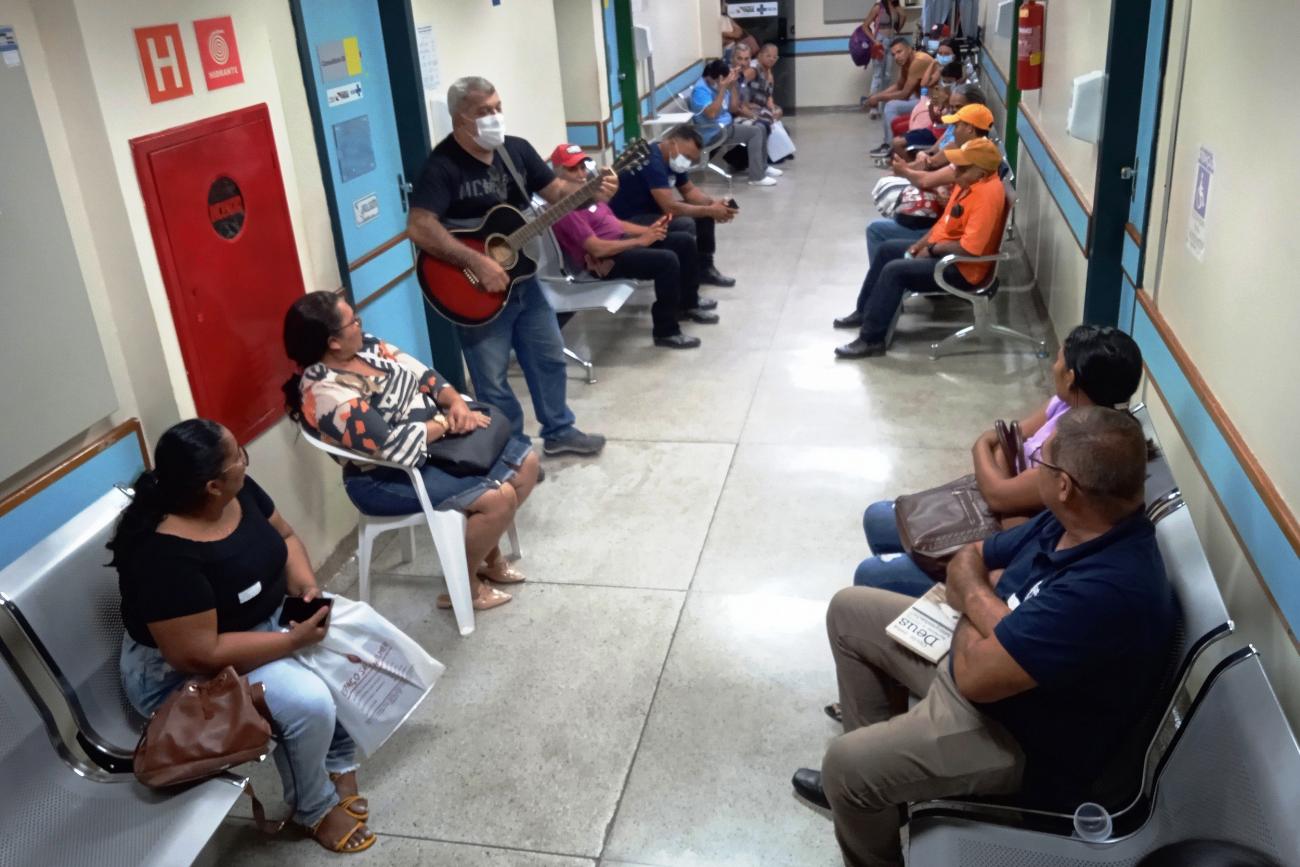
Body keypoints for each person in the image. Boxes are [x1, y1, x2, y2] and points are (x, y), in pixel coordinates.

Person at [792, 407, 1178, 867]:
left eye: (1043, 465)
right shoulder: (1074, 518)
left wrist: (972, 602)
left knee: (846, 766)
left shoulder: (1111, 589)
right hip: (984, 661)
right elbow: (970, 556)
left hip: (1014, 734)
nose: (1033, 470)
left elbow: (976, 677)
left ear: (1064, 485)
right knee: (848, 611)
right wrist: (984, 608)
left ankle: (867, 814)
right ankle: (882, 797)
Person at [112, 419, 377, 854]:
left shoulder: (238, 490)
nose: (244, 459)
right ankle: (313, 807)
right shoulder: (165, 557)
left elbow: (286, 536)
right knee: (307, 700)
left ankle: (334, 760)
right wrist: (292, 642)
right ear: (212, 485)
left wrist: (307, 586)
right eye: (238, 455)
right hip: (184, 676)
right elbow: (198, 653)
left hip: (255, 625)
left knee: (342, 646)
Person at [283, 290, 539, 612]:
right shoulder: (325, 391)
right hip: (385, 476)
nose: (360, 325)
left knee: (526, 465)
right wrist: (448, 423)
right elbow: (389, 444)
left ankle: (486, 560)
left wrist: (456, 402)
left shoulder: (368, 346)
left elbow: (423, 374)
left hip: (433, 447)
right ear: (333, 341)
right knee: (498, 499)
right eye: (353, 321)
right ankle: (463, 585)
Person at [854, 325, 1144, 596]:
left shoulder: (1080, 451)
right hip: (998, 519)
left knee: (874, 571)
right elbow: (1012, 438)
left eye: (1058, 360)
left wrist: (982, 446)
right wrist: (1005, 476)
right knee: (878, 517)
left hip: (1007, 541)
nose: (1053, 366)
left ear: (1070, 377)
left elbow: (998, 489)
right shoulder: (1062, 404)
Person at [406, 76, 608, 458]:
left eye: (498, 107)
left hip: (524, 281)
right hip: (472, 293)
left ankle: (560, 431)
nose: (495, 117)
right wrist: (475, 260)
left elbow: (556, 194)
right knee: (493, 380)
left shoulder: (515, 152)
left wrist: (588, 193)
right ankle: (513, 451)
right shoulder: (442, 166)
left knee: (548, 357)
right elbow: (419, 225)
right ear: (459, 120)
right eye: (484, 112)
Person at [835, 137, 1006, 358]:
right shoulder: (967, 184)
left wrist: (933, 249)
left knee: (895, 271)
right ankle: (864, 310)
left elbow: (970, 249)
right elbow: (943, 224)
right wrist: (919, 245)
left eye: (963, 168)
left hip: (962, 269)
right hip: (947, 252)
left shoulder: (986, 197)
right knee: (888, 249)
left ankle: (871, 340)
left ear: (981, 172)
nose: (957, 172)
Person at [548, 143, 711, 348]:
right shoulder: (564, 209)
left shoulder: (587, 196)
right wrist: (640, 241)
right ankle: (666, 331)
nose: (581, 174)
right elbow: (597, 248)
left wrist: (650, 232)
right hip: (605, 261)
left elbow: (614, 223)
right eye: (573, 169)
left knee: (683, 241)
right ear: (558, 174)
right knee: (666, 261)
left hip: (621, 242)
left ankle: (688, 304)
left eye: (583, 166)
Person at [609, 124, 739, 289]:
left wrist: (715, 205)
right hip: (631, 218)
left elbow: (690, 191)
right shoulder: (651, 161)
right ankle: (680, 275)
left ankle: (704, 269)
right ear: (671, 143)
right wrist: (710, 209)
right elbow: (669, 208)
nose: (688, 162)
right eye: (687, 156)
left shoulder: (673, 159)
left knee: (705, 213)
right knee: (686, 223)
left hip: (654, 212)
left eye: (692, 159)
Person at [864, 95, 992, 262]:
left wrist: (930, 249)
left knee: (881, 237)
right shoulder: (961, 150)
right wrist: (919, 246)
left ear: (970, 128)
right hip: (941, 226)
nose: (952, 128)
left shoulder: (974, 161)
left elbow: (968, 242)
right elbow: (933, 162)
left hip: (945, 239)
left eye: (958, 123)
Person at [691, 59, 778, 187]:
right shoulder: (701, 91)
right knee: (756, 132)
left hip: (726, 126)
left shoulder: (719, 83)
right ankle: (756, 177)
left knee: (761, 127)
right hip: (714, 131)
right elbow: (711, 114)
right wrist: (722, 89)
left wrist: (732, 86)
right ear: (718, 78)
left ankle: (763, 167)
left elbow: (733, 108)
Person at [865, 37, 936, 157]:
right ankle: (895, 142)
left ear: (909, 49)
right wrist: (877, 95)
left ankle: (890, 146)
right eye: (893, 54)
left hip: (932, 102)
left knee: (891, 106)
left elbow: (904, 94)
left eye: (899, 52)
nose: (897, 57)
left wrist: (878, 98)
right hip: (920, 98)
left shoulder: (918, 61)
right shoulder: (906, 62)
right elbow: (899, 85)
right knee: (891, 102)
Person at [861, 0, 907, 114]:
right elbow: (865, 26)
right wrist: (874, 41)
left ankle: (884, 105)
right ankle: (873, 106)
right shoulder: (878, 7)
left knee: (887, 76)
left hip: (891, 43)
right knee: (877, 75)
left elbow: (897, 28)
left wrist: (902, 15)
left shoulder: (896, 7)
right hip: (880, 43)